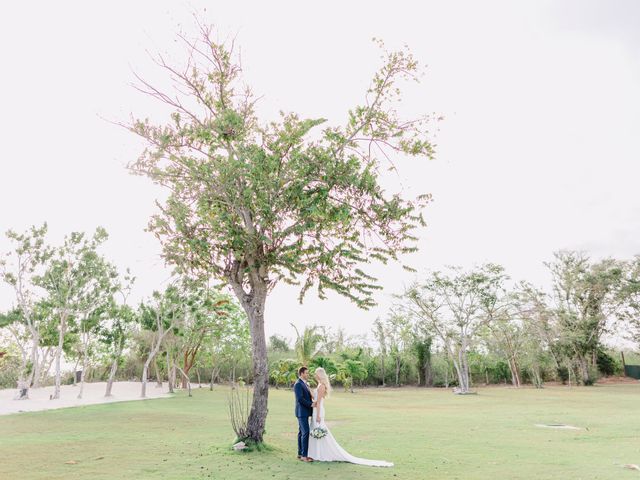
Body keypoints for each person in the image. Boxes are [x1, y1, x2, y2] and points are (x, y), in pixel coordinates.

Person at [308, 367, 393, 467]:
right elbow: (315, 398)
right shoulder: (319, 385)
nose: (314, 375)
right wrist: (308, 389)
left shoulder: (322, 386)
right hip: (316, 409)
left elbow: (318, 402)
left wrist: (317, 415)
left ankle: (320, 454)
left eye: (316, 373)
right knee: (316, 430)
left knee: (319, 430)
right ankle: (316, 453)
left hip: (318, 411)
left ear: (319, 375)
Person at [294, 366, 316, 462]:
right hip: (301, 412)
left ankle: (300, 453)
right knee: (305, 432)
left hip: (304, 412)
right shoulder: (298, 384)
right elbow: (300, 399)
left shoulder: (305, 384)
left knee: (301, 433)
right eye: (306, 373)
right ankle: (304, 456)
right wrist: (311, 404)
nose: (308, 374)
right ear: (302, 373)